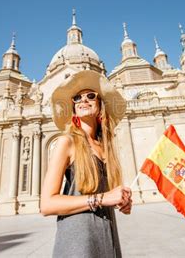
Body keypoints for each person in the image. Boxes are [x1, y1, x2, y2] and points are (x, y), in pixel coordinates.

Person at [41, 70, 132, 258]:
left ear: (100, 104)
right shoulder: (67, 142)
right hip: (78, 240)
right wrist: (103, 198)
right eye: (77, 98)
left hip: (107, 235)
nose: (83, 100)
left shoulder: (106, 148)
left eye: (91, 96)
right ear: (73, 107)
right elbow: (47, 204)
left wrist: (121, 202)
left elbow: (106, 196)